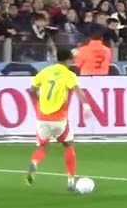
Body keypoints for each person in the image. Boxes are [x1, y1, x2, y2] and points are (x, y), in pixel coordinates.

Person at [26, 46, 86, 191]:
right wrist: (86, 104)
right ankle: (70, 181)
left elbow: (31, 90)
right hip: (59, 118)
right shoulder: (69, 74)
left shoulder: (45, 71)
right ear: (69, 60)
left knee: (43, 147)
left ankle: (34, 162)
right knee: (68, 145)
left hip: (42, 117)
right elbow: (78, 92)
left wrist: (39, 99)